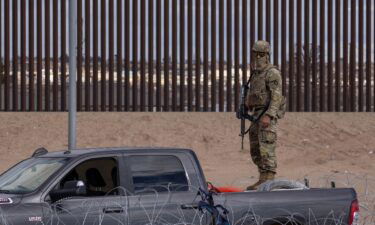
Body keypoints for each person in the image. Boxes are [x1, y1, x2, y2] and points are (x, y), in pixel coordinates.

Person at [246, 40, 285, 190]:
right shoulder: (257, 74)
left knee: (266, 148)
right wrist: (247, 103)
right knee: (255, 148)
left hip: (266, 115)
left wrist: (269, 115)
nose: (257, 58)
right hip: (256, 114)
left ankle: (268, 179)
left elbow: (276, 97)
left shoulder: (272, 73)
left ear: (265, 55)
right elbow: (254, 93)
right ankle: (262, 177)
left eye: (259, 54)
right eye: (255, 54)